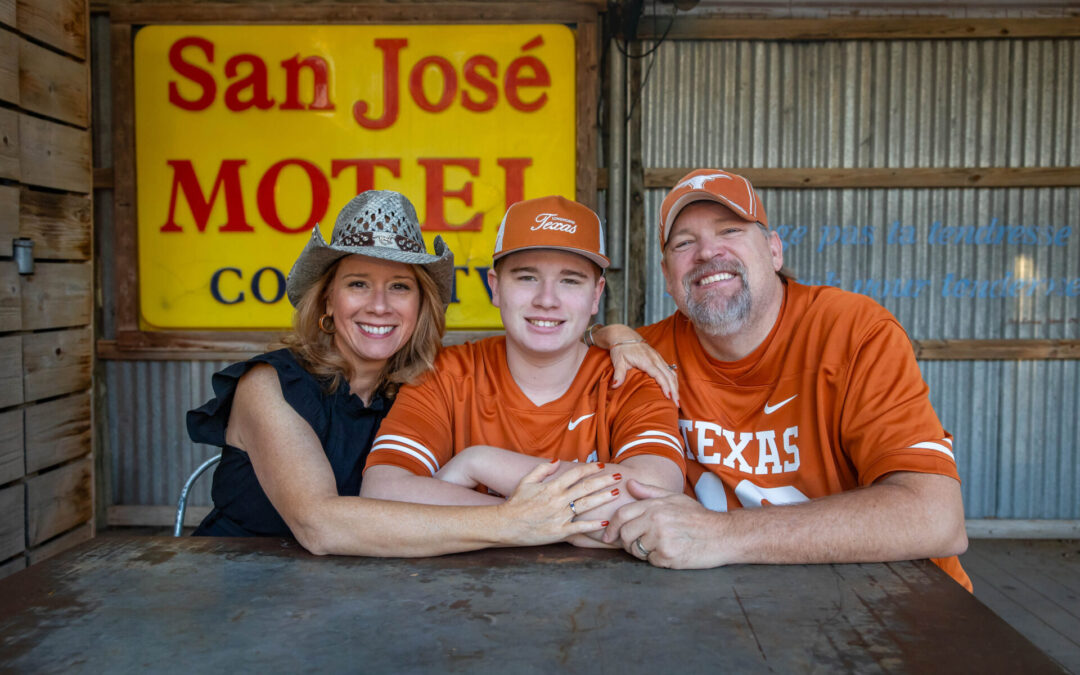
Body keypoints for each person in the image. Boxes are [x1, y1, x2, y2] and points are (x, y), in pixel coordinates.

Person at [187, 190, 621, 555]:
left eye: (399, 286)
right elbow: (317, 525)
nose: (379, 305)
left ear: (420, 305)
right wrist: (510, 523)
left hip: (366, 596)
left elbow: (545, 332)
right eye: (358, 283)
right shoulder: (269, 385)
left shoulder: (418, 385)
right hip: (245, 589)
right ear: (326, 300)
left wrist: (610, 335)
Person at [593, 169, 971, 589]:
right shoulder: (642, 356)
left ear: (774, 252)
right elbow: (559, 339)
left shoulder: (853, 330)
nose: (706, 252)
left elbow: (936, 518)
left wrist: (720, 534)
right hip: (730, 608)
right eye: (684, 242)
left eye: (730, 230)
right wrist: (605, 333)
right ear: (667, 277)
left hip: (898, 603)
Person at [360, 195, 686, 542]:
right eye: (527, 277)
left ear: (596, 295)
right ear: (496, 287)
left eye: (570, 280)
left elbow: (653, 499)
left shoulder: (631, 378)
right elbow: (382, 493)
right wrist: (517, 522)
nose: (546, 299)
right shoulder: (445, 374)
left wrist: (478, 463)